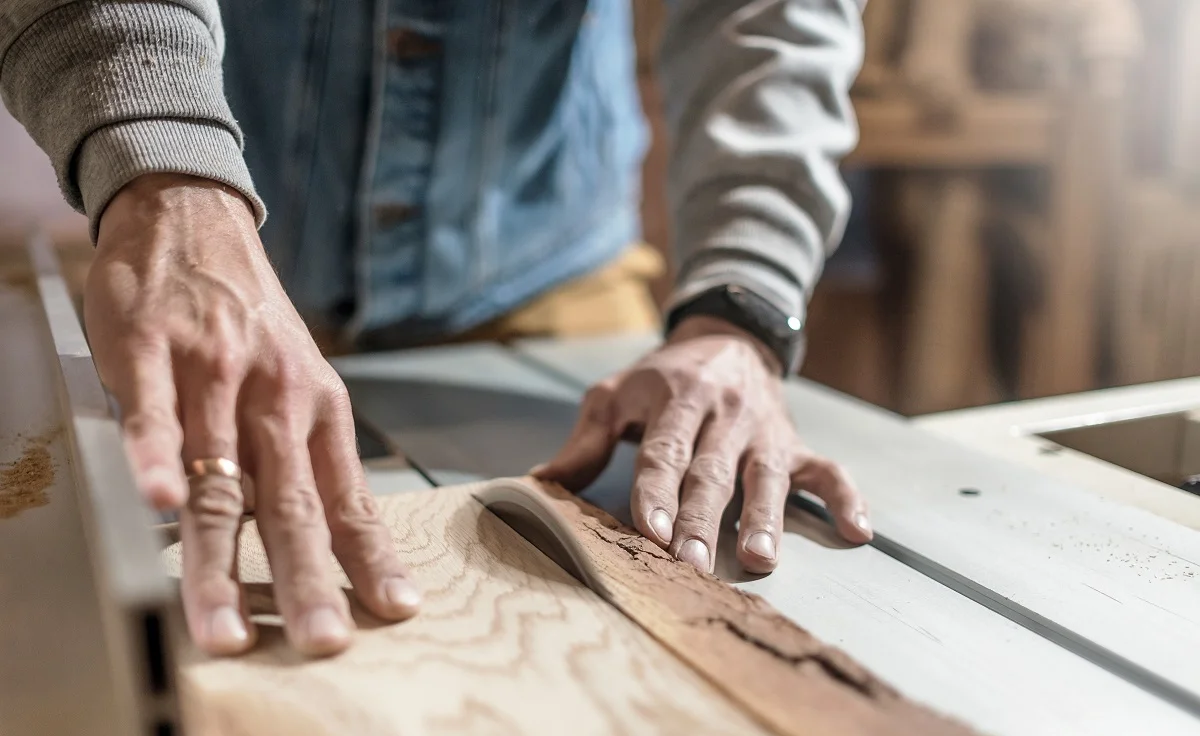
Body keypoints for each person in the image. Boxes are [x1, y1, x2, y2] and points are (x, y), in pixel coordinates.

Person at [0, 0, 871, 658]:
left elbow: (772, 19)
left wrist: (741, 306)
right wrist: (163, 168)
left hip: (553, 269)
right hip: (221, 260)